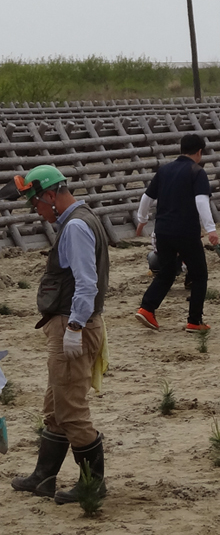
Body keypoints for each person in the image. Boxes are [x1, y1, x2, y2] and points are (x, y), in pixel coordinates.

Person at [2, 165, 109, 504]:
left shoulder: (75, 226)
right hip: (70, 322)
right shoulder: (83, 218)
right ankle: (43, 477)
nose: (38, 211)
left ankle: (92, 484)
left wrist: (75, 327)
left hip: (71, 324)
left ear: (51, 194)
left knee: (71, 411)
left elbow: (86, 282)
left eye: (37, 203)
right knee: (55, 405)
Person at [134, 133, 217, 333]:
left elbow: (147, 198)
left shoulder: (165, 170)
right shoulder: (197, 171)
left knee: (167, 272)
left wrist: (142, 220)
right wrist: (211, 228)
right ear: (199, 152)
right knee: (199, 275)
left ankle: (147, 308)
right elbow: (201, 201)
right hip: (186, 231)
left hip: (162, 230)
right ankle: (194, 321)